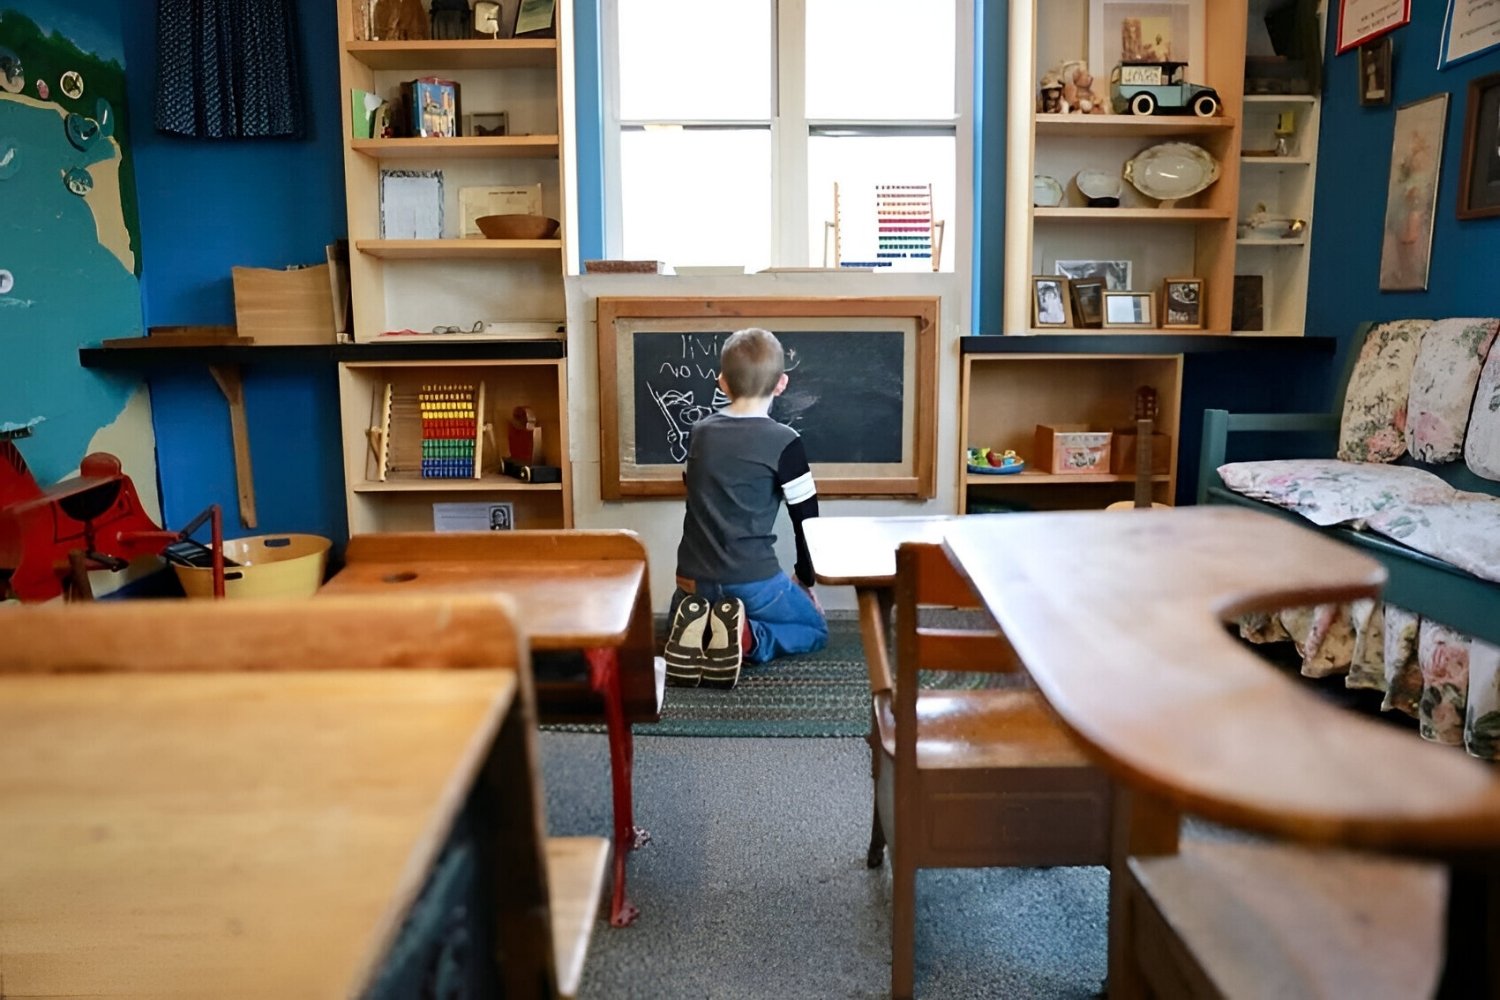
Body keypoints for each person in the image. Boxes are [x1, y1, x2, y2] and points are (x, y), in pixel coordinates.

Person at [664, 327, 829, 689]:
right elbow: (806, 520)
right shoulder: (785, 442)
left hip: (691, 577)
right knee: (815, 628)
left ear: (722, 383)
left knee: (692, 605)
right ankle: (747, 637)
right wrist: (804, 578)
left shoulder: (700, 432)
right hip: (752, 580)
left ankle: (699, 625)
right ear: (782, 384)